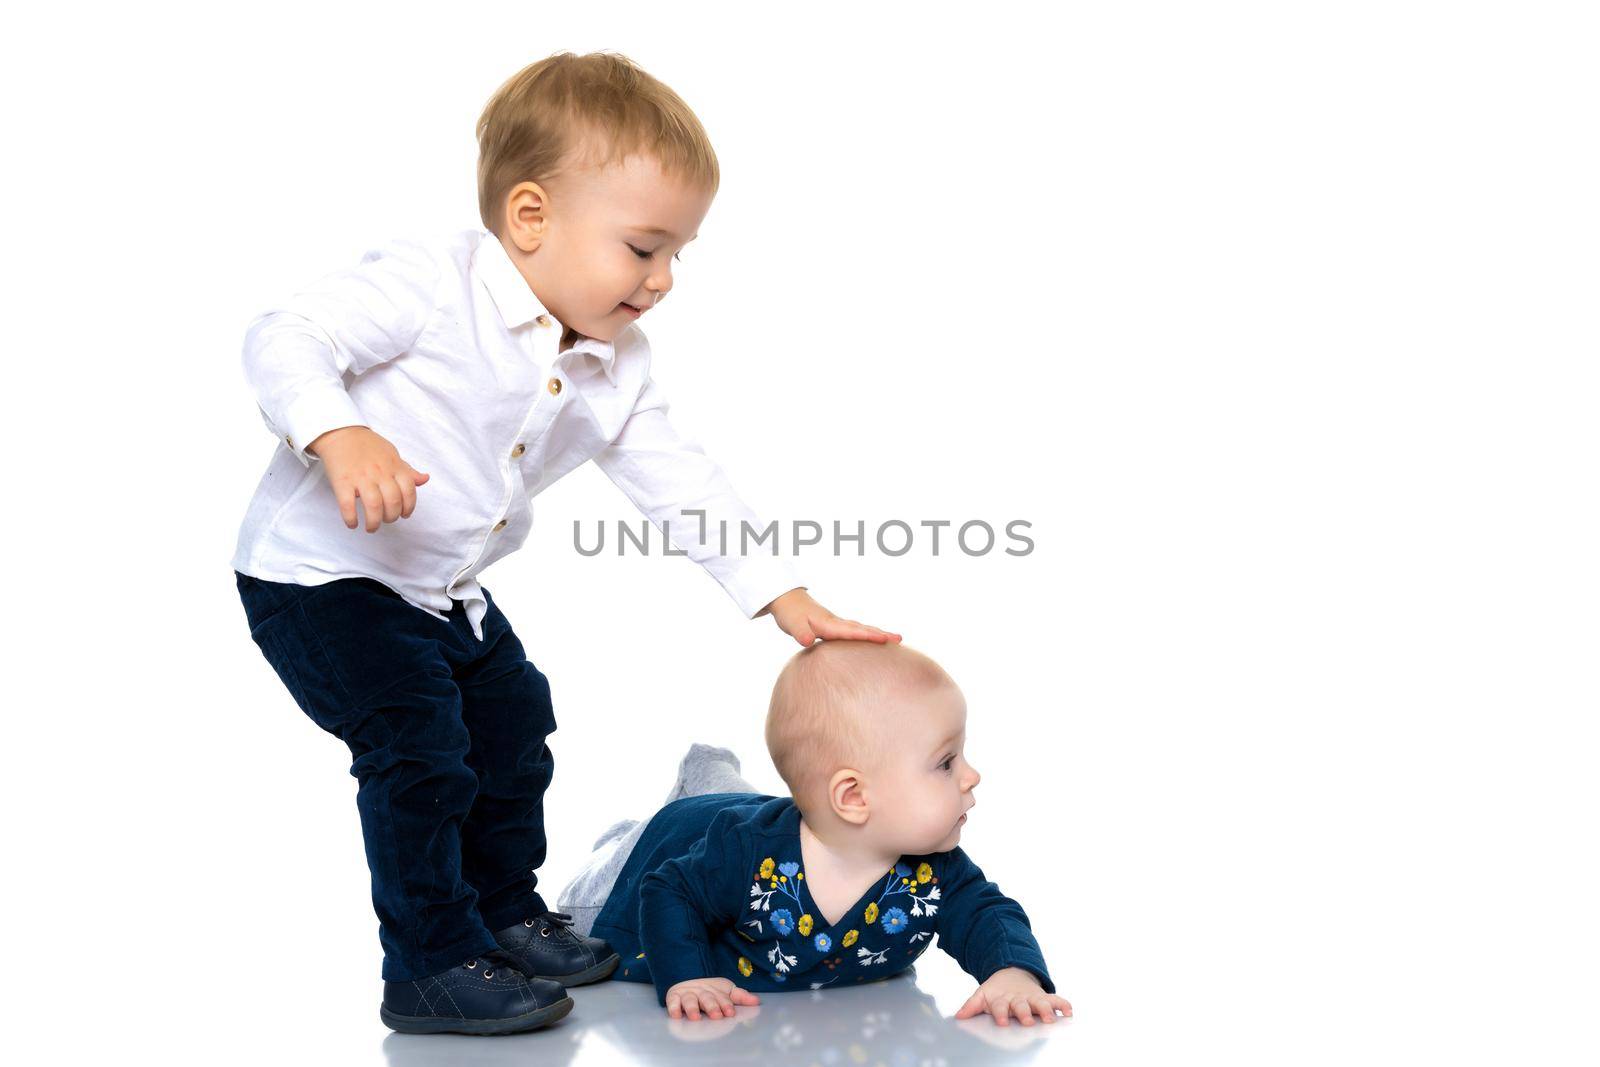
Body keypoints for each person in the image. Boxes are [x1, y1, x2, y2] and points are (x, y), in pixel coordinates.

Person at [231, 51, 900, 1037]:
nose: (663, 279)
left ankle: (504, 911)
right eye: (641, 247)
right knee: (419, 749)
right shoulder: (428, 283)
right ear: (531, 217)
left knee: (510, 724)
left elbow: (679, 476)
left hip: (440, 590)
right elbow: (286, 334)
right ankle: (429, 960)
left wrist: (778, 594)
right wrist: (338, 430)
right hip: (322, 578)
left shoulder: (613, 361)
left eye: (679, 253)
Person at [559, 642, 1071, 1026]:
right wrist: (688, 976)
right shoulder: (742, 854)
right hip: (672, 839)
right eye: (945, 762)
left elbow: (988, 913)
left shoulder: (933, 872)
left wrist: (1011, 973)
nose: (971, 775)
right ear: (853, 797)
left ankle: (709, 768)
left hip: (759, 810)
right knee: (603, 884)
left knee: (734, 798)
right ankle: (640, 821)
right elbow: (668, 889)